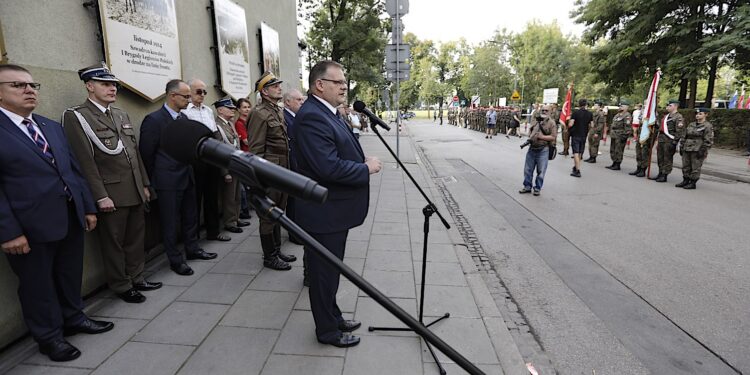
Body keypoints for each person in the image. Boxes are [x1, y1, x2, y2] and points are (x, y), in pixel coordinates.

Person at [0, 64, 113, 362]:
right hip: (28, 227)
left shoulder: (50, 126)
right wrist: (9, 232)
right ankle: (49, 337)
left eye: (33, 85)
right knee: (38, 285)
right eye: (18, 85)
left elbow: (73, 171)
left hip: (69, 217)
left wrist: (87, 208)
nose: (29, 90)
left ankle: (75, 318)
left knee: (69, 274)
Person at [292, 60, 382, 348]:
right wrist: (366, 168)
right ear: (320, 85)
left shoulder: (326, 112)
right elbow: (327, 167)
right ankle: (327, 331)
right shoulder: (312, 116)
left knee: (330, 271)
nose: (345, 86)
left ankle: (333, 316)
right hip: (323, 212)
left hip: (333, 212)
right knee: (322, 275)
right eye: (338, 82)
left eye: (345, 82)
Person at [62, 63, 161, 304]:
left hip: (134, 188)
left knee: (136, 237)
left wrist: (145, 184)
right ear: (89, 86)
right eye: (105, 84)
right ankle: (122, 284)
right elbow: (85, 162)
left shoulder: (120, 114)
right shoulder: (77, 116)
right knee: (114, 243)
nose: (112, 89)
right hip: (111, 192)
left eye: (114, 84)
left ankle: (137, 277)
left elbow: (134, 154)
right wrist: (99, 196)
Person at [139, 79, 217, 276]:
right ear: (172, 96)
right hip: (167, 181)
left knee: (191, 216)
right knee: (170, 222)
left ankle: (193, 249)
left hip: (187, 176)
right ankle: (175, 259)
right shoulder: (154, 120)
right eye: (186, 96)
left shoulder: (184, 120)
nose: (189, 100)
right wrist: (149, 183)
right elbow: (147, 154)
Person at [247, 72, 297, 270]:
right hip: (270, 169)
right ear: (265, 92)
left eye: (279, 85)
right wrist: (259, 176)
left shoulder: (276, 110)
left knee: (278, 209)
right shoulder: (259, 113)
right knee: (268, 214)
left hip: (281, 167)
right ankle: (270, 257)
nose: (279, 88)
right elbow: (256, 148)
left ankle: (276, 250)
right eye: (275, 86)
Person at [182, 79, 228, 241]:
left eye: (204, 92)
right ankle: (193, 238)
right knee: (195, 199)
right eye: (198, 91)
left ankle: (213, 232)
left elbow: (214, 133)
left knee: (212, 197)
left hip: (211, 159)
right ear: (189, 92)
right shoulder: (185, 112)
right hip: (195, 160)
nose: (202, 95)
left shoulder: (208, 111)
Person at [214, 97, 248, 233]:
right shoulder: (217, 126)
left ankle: (236, 217)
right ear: (220, 110)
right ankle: (230, 221)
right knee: (228, 196)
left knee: (237, 195)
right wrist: (225, 172)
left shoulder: (230, 123)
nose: (233, 110)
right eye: (229, 108)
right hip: (227, 165)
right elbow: (219, 151)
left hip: (236, 163)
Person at [519, 104, 557, 196]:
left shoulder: (552, 123)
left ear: (550, 112)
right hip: (532, 148)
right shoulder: (536, 120)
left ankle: (537, 188)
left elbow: (553, 137)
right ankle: (527, 186)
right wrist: (530, 136)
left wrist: (542, 137)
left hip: (543, 150)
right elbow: (530, 130)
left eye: (546, 110)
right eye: (543, 110)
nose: (544, 112)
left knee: (541, 171)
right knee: (528, 170)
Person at [676, 108, 713, 189]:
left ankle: (693, 182)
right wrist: (681, 146)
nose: (697, 115)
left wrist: (703, 150)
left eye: (700, 114)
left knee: (695, 167)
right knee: (685, 165)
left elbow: (708, 139)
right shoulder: (691, 124)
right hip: (687, 147)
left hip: (697, 148)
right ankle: (685, 180)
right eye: (697, 113)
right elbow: (684, 135)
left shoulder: (707, 126)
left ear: (706, 115)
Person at [650, 99, 684, 182]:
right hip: (662, 140)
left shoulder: (678, 117)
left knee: (667, 159)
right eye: (667, 105)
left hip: (669, 140)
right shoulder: (666, 116)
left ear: (675, 106)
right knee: (660, 158)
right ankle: (660, 173)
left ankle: (664, 175)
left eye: (670, 105)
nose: (667, 107)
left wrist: (675, 142)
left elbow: (679, 131)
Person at [234, 97, 252, 220]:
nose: (247, 110)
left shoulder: (250, 121)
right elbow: (246, 141)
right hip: (246, 156)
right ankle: (245, 210)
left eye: (248, 107)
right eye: (244, 107)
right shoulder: (239, 123)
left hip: (253, 155)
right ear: (239, 110)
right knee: (245, 186)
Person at [568, 99, 593, 177]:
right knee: (579, 152)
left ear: (579, 104)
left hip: (576, 134)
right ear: (586, 105)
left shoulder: (575, 113)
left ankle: (578, 171)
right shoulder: (590, 114)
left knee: (575, 152)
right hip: (584, 135)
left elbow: (571, 124)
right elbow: (592, 125)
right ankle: (576, 167)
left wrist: (568, 124)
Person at [605, 101, 632, 171]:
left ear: (626, 107)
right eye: (620, 106)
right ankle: (614, 162)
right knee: (613, 149)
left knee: (618, 150)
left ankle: (617, 164)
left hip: (620, 135)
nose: (620, 107)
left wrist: (624, 136)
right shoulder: (617, 115)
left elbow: (628, 128)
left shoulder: (627, 115)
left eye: (622, 106)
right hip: (614, 135)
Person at [630, 103, 651, 177]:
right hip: (640, 135)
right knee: (638, 152)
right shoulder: (642, 112)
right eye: (644, 104)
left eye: (646, 104)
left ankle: (643, 169)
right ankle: (638, 168)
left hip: (646, 136)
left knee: (644, 153)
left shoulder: (652, 113)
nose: (645, 106)